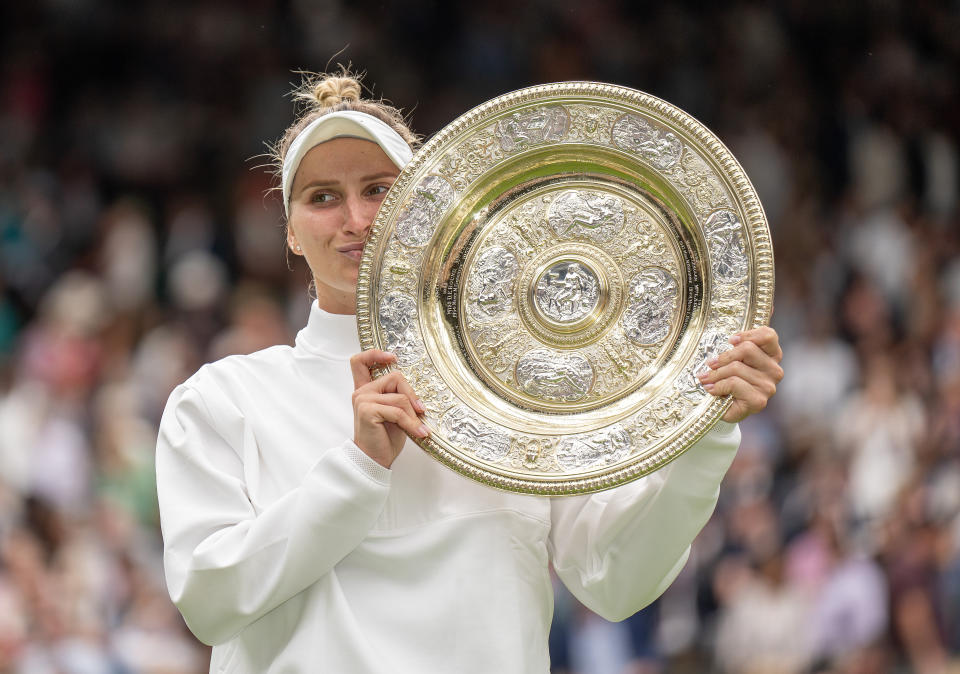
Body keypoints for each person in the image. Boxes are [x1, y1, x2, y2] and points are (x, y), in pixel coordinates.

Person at [155, 71, 784, 673]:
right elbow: (209, 601)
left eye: (379, 189)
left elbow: (613, 583)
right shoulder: (222, 398)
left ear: (429, 208)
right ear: (290, 232)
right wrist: (358, 470)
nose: (356, 219)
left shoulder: (525, 390)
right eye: (323, 198)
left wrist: (705, 432)